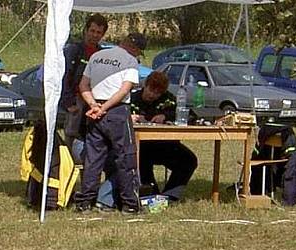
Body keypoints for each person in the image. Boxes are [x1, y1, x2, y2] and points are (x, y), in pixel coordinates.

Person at [72, 32, 146, 213]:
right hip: (117, 111)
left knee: (93, 159)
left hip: (94, 110)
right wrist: (105, 108)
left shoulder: (97, 56)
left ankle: (85, 202)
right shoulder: (130, 61)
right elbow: (124, 90)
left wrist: (93, 105)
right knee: (126, 158)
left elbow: (83, 85)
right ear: (135, 48)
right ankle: (130, 204)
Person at [130, 71, 198, 202]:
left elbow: (191, 115)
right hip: (141, 146)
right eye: (151, 90)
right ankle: (150, 195)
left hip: (166, 145)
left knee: (189, 160)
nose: (153, 95)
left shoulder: (168, 99)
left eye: (158, 93)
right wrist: (130, 118)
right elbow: (118, 117)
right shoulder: (132, 98)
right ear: (146, 85)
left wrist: (166, 116)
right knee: (141, 159)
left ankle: (170, 196)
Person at [61, 13, 108, 150]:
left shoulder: (102, 54)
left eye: (99, 32)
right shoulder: (74, 50)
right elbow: (66, 76)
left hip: (93, 100)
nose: (94, 35)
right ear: (86, 30)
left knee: (92, 135)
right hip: (76, 100)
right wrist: (68, 102)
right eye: (92, 31)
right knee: (71, 135)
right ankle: (68, 165)